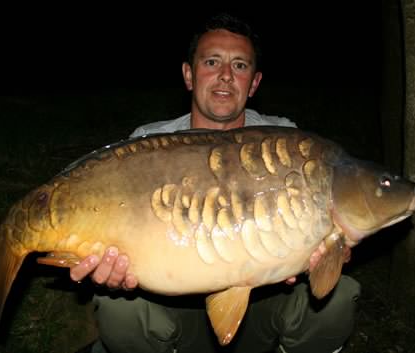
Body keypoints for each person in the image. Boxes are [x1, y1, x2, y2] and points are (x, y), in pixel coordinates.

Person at [71, 13, 360, 353]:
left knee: (339, 298)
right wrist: (109, 268)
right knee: (118, 308)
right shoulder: (147, 143)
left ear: (254, 83)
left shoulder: (288, 143)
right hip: (172, 305)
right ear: (189, 75)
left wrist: (330, 250)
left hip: (261, 303)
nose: (225, 76)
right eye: (212, 62)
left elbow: (324, 239)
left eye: (239, 66)